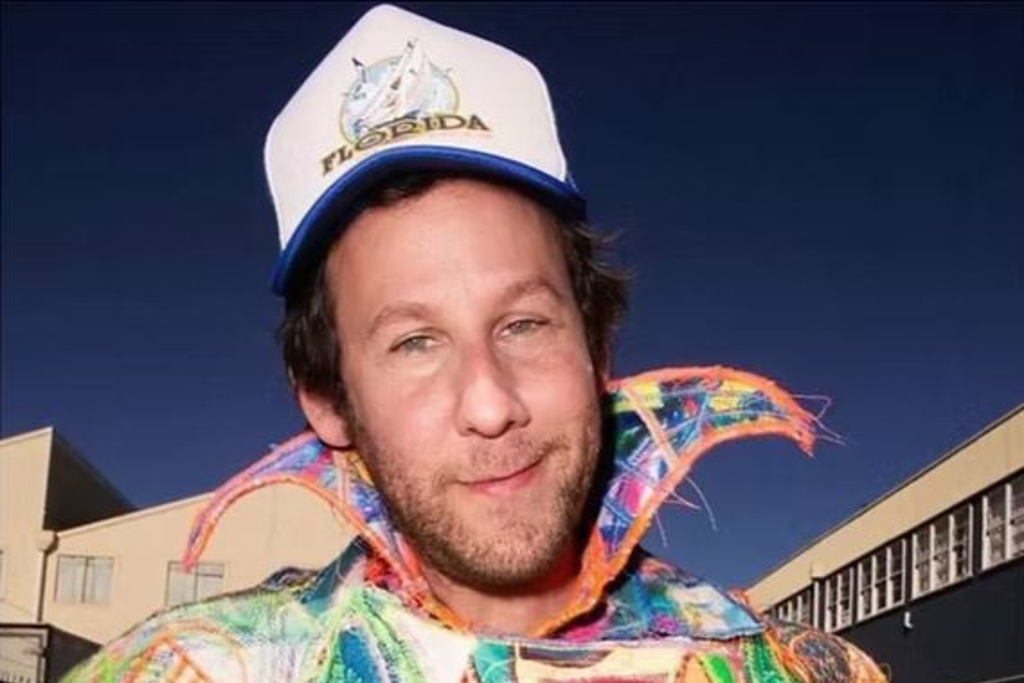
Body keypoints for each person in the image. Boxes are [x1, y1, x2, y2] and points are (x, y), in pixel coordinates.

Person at [64, 5, 885, 683]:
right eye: (415, 342)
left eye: (523, 324)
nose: (490, 404)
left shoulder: (799, 670)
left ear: (597, 346)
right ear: (327, 399)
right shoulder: (190, 669)